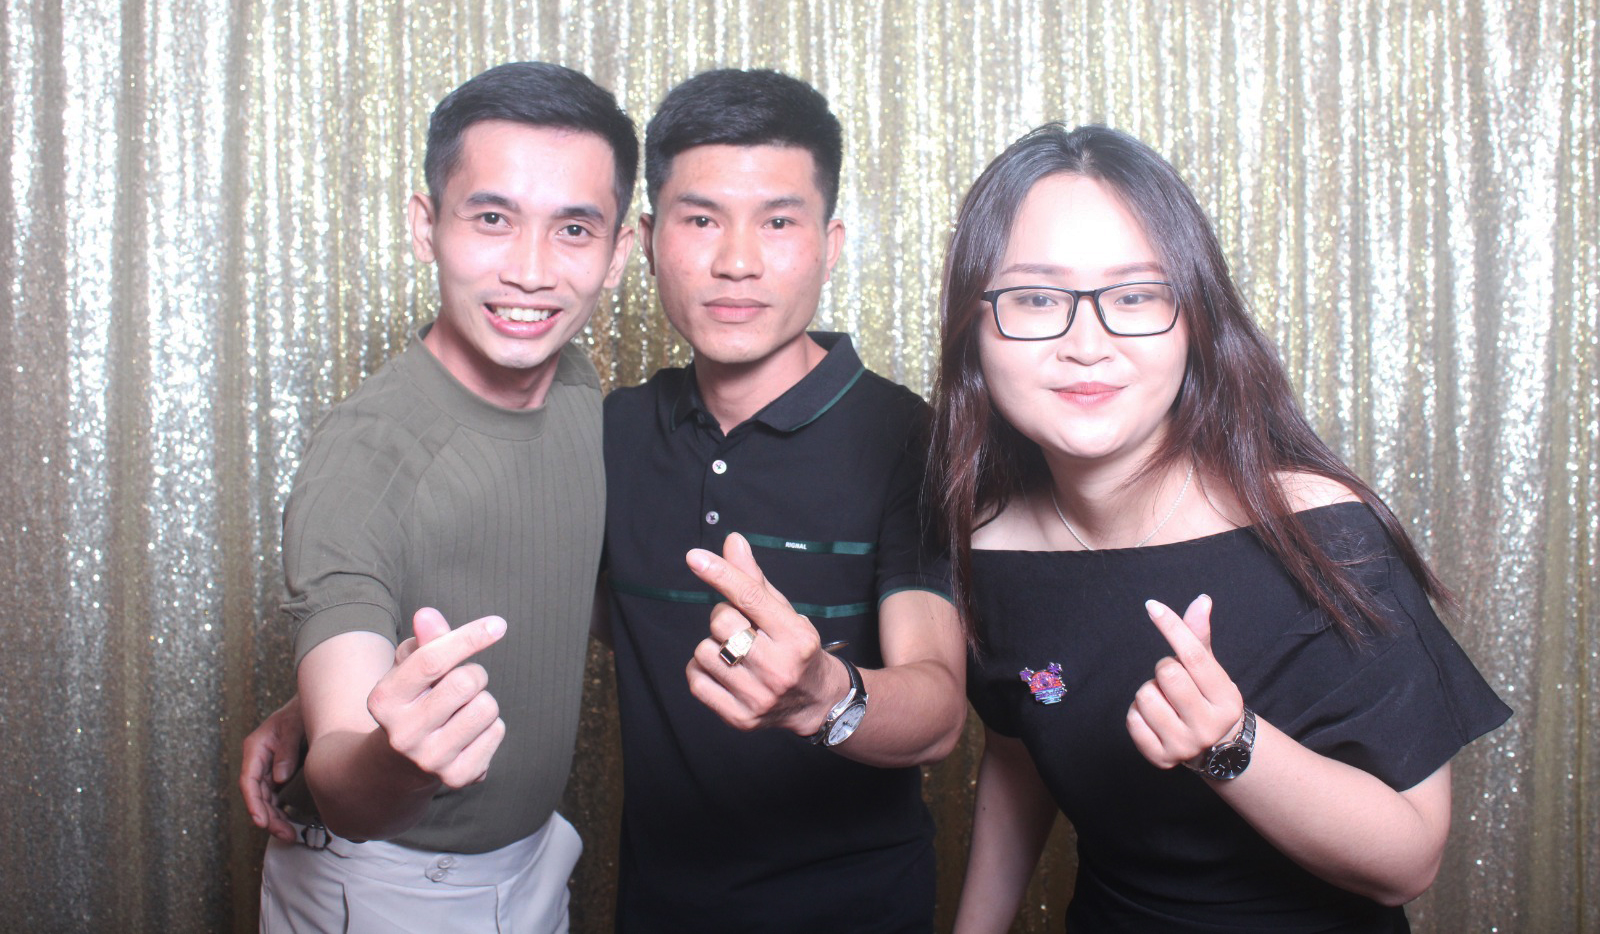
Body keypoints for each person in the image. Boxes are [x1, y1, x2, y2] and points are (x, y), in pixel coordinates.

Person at [931, 124, 1511, 933]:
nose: (1086, 345)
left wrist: (1231, 745)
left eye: (1135, 297)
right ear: (974, 327)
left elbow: (1408, 860)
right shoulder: (988, 549)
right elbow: (1019, 753)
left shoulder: (1317, 530)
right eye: (1035, 299)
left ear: (1195, 321)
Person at [245, 62, 636, 933]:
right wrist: (395, 757)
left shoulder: (576, 383)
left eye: (573, 229)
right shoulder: (362, 459)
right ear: (426, 226)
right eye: (492, 218)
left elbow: (553, 574)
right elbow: (344, 783)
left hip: (535, 863)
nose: (530, 272)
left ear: (618, 255)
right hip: (388, 888)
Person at [597, 68, 966, 932]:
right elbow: (520, 609)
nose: (737, 261)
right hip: (658, 910)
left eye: (777, 221)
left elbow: (940, 707)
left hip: (859, 913)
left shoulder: (907, 437)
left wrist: (823, 695)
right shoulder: (610, 432)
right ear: (647, 239)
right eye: (700, 219)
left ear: (830, 244)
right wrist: (323, 708)